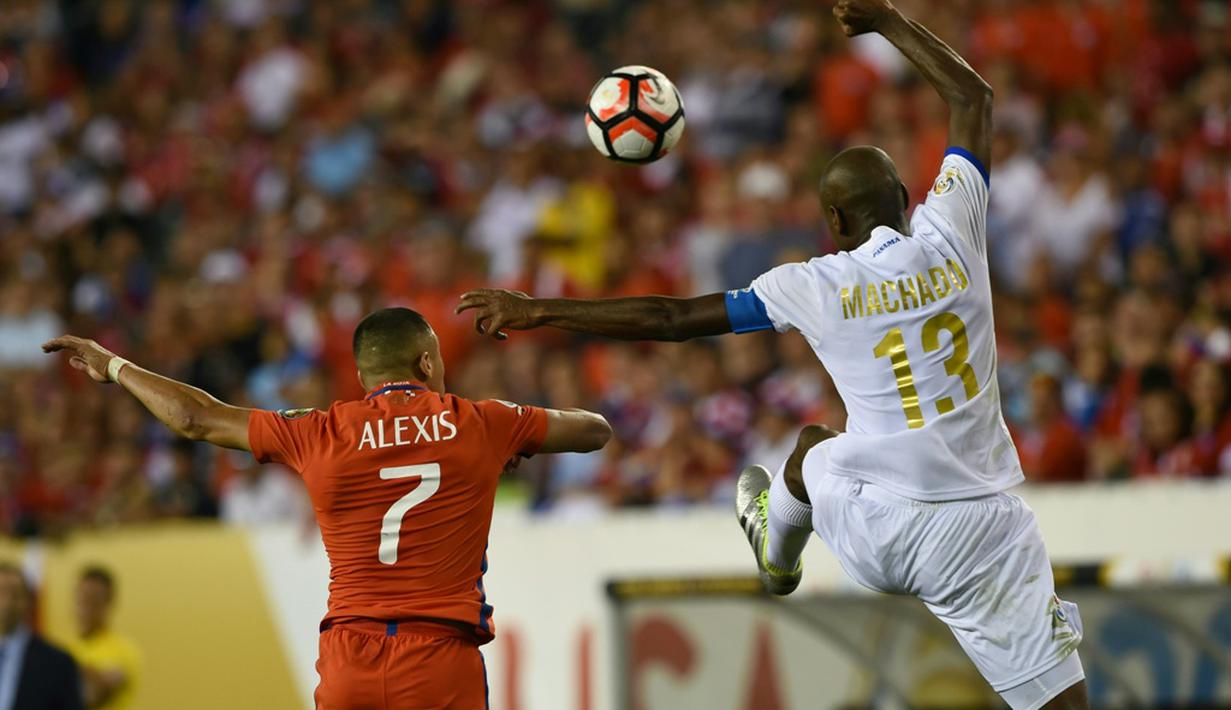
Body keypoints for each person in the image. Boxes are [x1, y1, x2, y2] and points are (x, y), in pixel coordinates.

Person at [455, 1, 1087, 707]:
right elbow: (973, 96)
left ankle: (776, 553)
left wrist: (543, 308)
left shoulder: (811, 282)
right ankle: (779, 538)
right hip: (988, 527)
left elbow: (671, 318)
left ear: (833, 222)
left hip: (885, 529)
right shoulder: (954, 236)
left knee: (815, 449)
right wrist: (887, 21)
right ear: (907, 199)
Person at [44, 307, 612, 710]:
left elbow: (196, 417)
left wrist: (113, 365)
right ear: (427, 362)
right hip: (440, 657)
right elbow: (594, 431)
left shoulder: (320, 431)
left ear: (364, 377)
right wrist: (511, 439)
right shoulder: (482, 423)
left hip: (349, 659)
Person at [0, 562, 83, 710]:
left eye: (14, 593)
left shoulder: (58, 663)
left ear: (28, 601)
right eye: (1, 592)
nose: (6, 602)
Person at [65, 567, 140, 710]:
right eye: (82, 599)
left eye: (93, 600)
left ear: (109, 601)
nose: (85, 607)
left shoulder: (124, 650)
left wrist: (67, 674)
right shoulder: (64, 649)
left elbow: (92, 695)